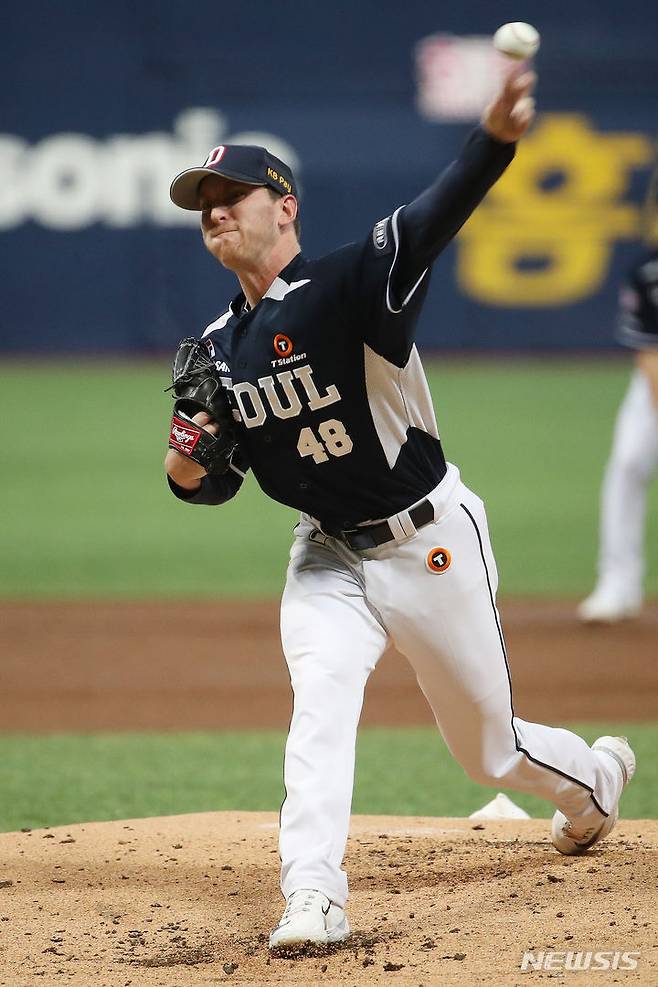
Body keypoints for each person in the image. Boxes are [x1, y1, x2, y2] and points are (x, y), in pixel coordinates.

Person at [165, 69, 635, 952]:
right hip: (324, 557)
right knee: (320, 704)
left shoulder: (354, 284)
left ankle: (595, 782)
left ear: (287, 206)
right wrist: (187, 460)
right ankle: (314, 894)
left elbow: (433, 215)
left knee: (488, 751)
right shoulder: (219, 350)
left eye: (233, 194)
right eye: (205, 202)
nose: (216, 211)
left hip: (428, 542)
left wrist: (494, 139)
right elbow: (209, 480)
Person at [578, 245, 658, 622]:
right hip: (653, 385)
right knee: (627, 465)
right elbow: (649, 352)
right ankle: (618, 585)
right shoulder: (647, 270)